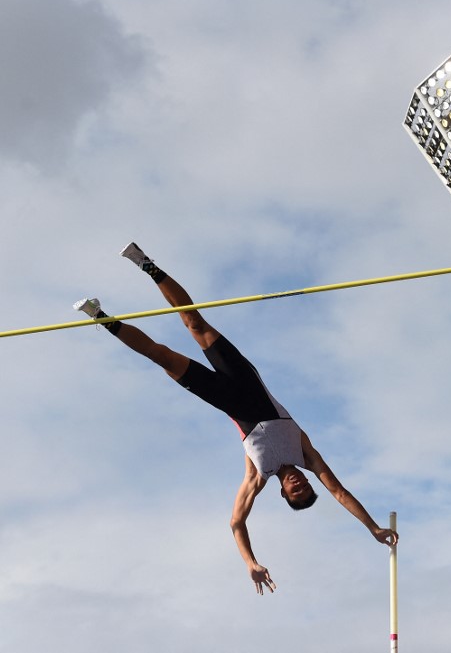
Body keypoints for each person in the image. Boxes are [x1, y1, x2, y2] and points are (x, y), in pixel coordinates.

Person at [75, 242, 398, 595]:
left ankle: (100, 317)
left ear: (283, 494)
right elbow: (338, 491)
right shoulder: (306, 455)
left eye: (296, 492)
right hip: (245, 380)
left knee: (162, 357)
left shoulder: (256, 476)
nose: (301, 485)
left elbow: (236, 522)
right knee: (195, 323)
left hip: (223, 398)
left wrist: (250, 562)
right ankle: (146, 264)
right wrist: (372, 527)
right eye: (306, 488)